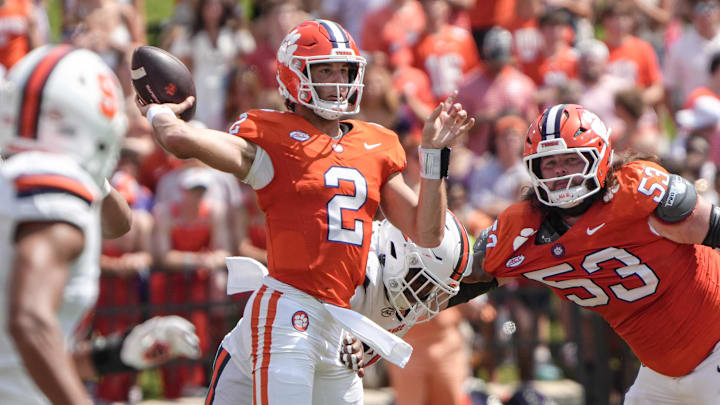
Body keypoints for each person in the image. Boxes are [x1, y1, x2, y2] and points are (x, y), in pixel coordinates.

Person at [136, 19, 474, 405]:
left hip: (340, 325)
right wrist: (159, 112)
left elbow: (426, 234)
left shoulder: (376, 144)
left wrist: (433, 158)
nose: (337, 80)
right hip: (287, 311)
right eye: (325, 69)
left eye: (344, 70)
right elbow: (180, 140)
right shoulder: (273, 136)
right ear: (295, 76)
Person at [461, 103, 720, 404]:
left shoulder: (636, 191)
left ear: (599, 157)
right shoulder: (524, 228)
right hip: (660, 373)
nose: (560, 171)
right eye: (549, 162)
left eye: (571, 159)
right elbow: (461, 279)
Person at [0, 45, 201, 405]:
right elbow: (29, 322)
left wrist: (115, 354)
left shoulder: (19, 176)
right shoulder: (51, 186)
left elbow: (19, 362)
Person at [202, 209, 474, 405]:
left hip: (329, 363)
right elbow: (297, 306)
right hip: (268, 349)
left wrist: (360, 341)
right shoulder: (350, 259)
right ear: (398, 254)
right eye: (425, 285)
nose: (426, 299)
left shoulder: (398, 287)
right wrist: (346, 329)